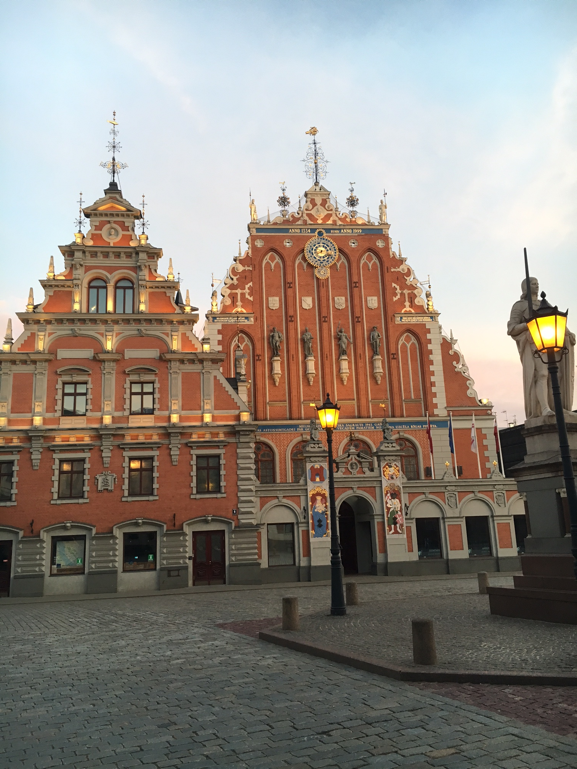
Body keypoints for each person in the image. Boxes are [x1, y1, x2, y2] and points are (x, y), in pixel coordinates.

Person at [508, 277, 575, 419]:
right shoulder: (519, 306)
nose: (537, 286)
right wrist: (530, 324)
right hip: (534, 344)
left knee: (557, 374)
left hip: (551, 342)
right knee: (543, 374)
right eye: (533, 284)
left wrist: (568, 332)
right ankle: (544, 408)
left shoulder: (543, 304)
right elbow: (512, 328)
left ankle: (557, 407)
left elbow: (555, 320)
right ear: (526, 287)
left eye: (537, 283)